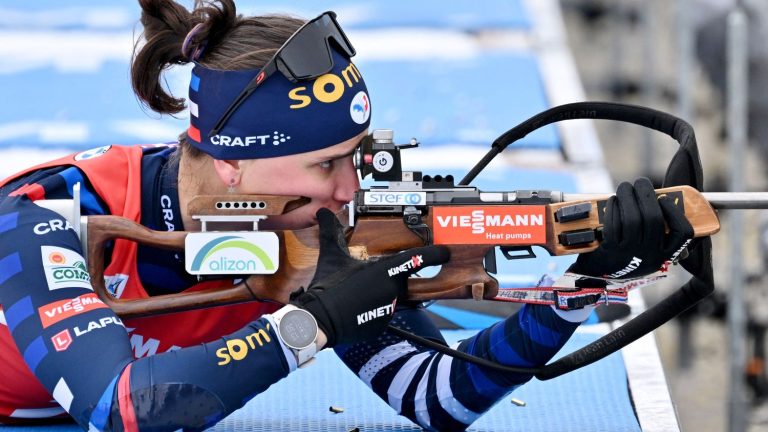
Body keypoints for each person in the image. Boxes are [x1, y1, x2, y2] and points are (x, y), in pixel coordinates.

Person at [0, 1, 694, 430]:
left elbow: (438, 396)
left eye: (356, 157)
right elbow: (125, 410)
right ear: (230, 162)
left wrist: (580, 287)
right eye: (323, 164)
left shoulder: (306, 238)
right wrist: (317, 324)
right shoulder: (48, 214)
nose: (346, 189)